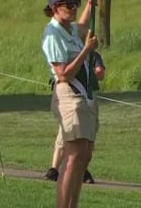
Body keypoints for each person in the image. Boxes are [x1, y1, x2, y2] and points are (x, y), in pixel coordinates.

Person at [41, 0, 100, 208]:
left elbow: (83, 24)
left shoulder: (71, 30)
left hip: (83, 95)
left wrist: (91, 1)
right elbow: (63, 74)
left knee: (84, 154)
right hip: (68, 94)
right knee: (73, 155)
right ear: (55, 8)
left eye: (75, 4)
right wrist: (87, 51)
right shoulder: (53, 34)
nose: (73, 8)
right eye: (68, 4)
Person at [44, 49, 104, 184]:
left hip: (89, 97)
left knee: (88, 132)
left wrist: (91, 73)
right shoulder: (68, 54)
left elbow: (100, 73)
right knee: (67, 131)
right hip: (72, 96)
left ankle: (81, 168)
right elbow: (62, 72)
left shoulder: (93, 55)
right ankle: (55, 169)